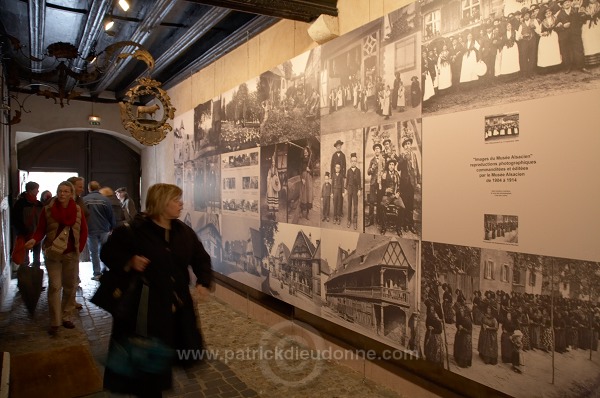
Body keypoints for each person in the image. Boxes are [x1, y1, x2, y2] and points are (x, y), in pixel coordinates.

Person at [100, 183, 213, 397]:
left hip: (176, 308)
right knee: (148, 368)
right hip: (145, 309)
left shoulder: (183, 231)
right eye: (176, 200)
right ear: (161, 203)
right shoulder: (134, 231)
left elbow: (200, 257)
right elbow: (107, 253)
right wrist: (129, 261)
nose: (181, 203)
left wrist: (203, 281)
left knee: (168, 354)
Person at [24, 181, 88, 335]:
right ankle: (55, 321)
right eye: (60, 191)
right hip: (53, 253)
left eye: (66, 191)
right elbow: (40, 230)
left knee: (70, 286)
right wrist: (34, 239)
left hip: (70, 254)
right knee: (54, 286)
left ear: (71, 193)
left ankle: (66, 316)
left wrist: (78, 249)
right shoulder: (48, 210)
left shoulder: (78, 210)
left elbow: (84, 230)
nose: (62, 194)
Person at [84, 181, 115, 280]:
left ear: (89, 188)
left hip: (90, 229)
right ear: (99, 188)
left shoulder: (84, 200)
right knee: (104, 250)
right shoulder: (105, 200)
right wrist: (112, 227)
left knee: (93, 252)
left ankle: (97, 273)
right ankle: (105, 269)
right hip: (104, 228)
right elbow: (110, 215)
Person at [12, 181, 44, 268]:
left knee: (37, 258)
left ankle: (35, 276)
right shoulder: (20, 204)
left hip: (36, 234)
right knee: (24, 259)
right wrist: (22, 231)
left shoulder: (38, 204)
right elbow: (16, 219)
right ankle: (25, 277)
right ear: (30, 190)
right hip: (25, 234)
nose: (38, 191)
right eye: (36, 189)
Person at [555, 0, 591, 74]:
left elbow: (581, 20)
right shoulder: (559, 14)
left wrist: (577, 28)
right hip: (564, 36)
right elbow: (556, 27)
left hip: (575, 34)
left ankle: (581, 66)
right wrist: (563, 26)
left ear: (571, 3)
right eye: (565, 3)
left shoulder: (576, 11)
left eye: (568, 2)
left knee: (578, 49)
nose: (567, 4)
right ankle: (567, 67)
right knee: (565, 51)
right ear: (562, 5)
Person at [398, 128, 420, 235]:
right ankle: (405, 224)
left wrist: (418, 181)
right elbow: (398, 168)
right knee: (405, 205)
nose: (407, 146)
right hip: (404, 184)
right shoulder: (402, 156)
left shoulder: (414, 155)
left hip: (411, 183)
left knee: (411, 205)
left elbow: (417, 168)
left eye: (408, 144)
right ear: (404, 146)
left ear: (410, 145)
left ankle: (411, 225)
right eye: (405, 144)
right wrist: (404, 159)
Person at [366, 143, 385, 228]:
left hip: (380, 183)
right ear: (374, 151)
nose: (377, 150)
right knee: (371, 202)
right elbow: (368, 172)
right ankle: (370, 220)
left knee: (380, 202)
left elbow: (385, 170)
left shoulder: (383, 160)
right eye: (375, 149)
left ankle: (379, 218)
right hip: (373, 183)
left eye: (378, 148)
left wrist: (384, 174)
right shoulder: (372, 160)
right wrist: (372, 168)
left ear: (380, 150)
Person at [345, 153, 361, 230]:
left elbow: (359, 182)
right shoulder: (348, 171)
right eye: (352, 161)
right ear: (350, 162)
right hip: (349, 189)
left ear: (356, 162)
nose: (353, 162)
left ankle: (355, 222)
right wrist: (345, 189)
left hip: (355, 190)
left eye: (355, 161)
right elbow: (347, 180)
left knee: (355, 206)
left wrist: (359, 190)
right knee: (349, 205)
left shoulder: (358, 171)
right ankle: (349, 220)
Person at [299, 146, 314, 220]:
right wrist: (302, 179)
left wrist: (309, 170)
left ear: (308, 153)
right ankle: (302, 211)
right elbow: (299, 171)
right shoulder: (301, 161)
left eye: (306, 152)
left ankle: (307, 213)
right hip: (303, 179)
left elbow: (313, 171)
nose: (305, 153)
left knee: (308, 194)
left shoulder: (310, 161)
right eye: (304, 152)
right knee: (303, 195)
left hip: (309, 179)